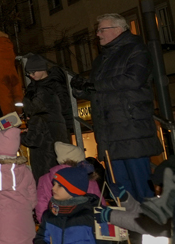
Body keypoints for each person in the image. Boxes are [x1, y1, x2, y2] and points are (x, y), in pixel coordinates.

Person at [72, 13, 160, 201]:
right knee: (120, 189)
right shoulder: (102, 60)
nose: (98, 34)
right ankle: (130, 228)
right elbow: (101, 90)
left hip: (130, 130)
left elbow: (133, 79)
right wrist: (82, 90)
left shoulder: (136, 50)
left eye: (102, 30)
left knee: (141, 187)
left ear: (118, 30)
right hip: (110, 133)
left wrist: (94, 85)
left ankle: (150, 226)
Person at [22, 53, 74, 181]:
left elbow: (65, 107)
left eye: (33, 72)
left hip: (53, 129)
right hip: (41, 125)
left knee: (50, 165)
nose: (31, 75)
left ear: (42, 69)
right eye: (28, 73)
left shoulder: (54, 85)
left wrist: (67, 128)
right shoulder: (33, 86)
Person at [36, 143, 101, 222]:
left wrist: (45, 224)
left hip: (56, 224)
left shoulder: (44, 179)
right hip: (84, 224)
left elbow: (41, 204)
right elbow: (98, 202)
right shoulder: (87, 177)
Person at [0, 31, 24, 114]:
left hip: (1, 77)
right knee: (17, 94)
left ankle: (10, 118)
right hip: (13, 75)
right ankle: (20, 113)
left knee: (5, 98)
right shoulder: (9, 47)